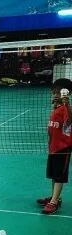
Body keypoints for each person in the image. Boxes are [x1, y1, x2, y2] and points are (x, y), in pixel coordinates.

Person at [38, 78, 72, 214]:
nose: (55, 95)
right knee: (54, 175)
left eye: (58, 93)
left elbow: (69, 121)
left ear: (67, 93)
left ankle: (54, 202)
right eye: (54, 92)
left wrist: (66, 104)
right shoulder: (57, 107)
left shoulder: (66, 108)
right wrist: (57, 104)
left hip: (63, 148)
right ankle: (54, 197)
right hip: (53, 147)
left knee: (59, 176)